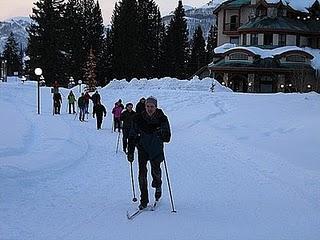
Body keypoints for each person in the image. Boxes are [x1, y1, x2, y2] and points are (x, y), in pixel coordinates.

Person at [127, 96, 171, 210]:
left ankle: (158, 186)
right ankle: (144, 200)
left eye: (152, 106)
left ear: (156, 107)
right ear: (145, 106)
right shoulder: (138, 118)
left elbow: (167, 137)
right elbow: (132, 135)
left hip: (156, 149)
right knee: (142, 174)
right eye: (148, 106)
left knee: (155, 171)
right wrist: (130, 151)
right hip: (142, 149)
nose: (149, 108)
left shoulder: (162, 118)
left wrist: (162, 133)